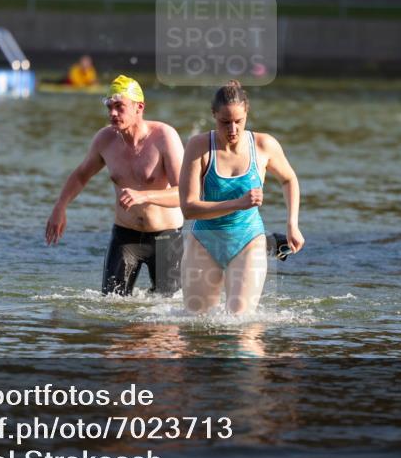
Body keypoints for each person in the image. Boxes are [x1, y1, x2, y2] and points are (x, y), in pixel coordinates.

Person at [45, 76, 186, 296]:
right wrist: (60, 206)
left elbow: (184, 193)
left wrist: (144, 196)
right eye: (109, 107)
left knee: (166, 313)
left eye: (119, 107)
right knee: (112, 308)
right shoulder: (105, 140)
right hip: (125, 235)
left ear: (139, 107)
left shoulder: (164, 137)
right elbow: (81, 175)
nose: (112, 113)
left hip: (165, 237)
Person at [178, 80, 304, 315]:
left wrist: (292, 224)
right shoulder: (198, 147)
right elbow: (188, 208)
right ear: (213, 115)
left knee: (240, 324)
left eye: (239, 121)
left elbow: (289, 179)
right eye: (225, 122)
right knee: (197, 325)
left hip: (248, 240)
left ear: (247, 113)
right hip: (204, 241)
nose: (233, 129)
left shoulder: (264, 145)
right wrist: (239, 203)